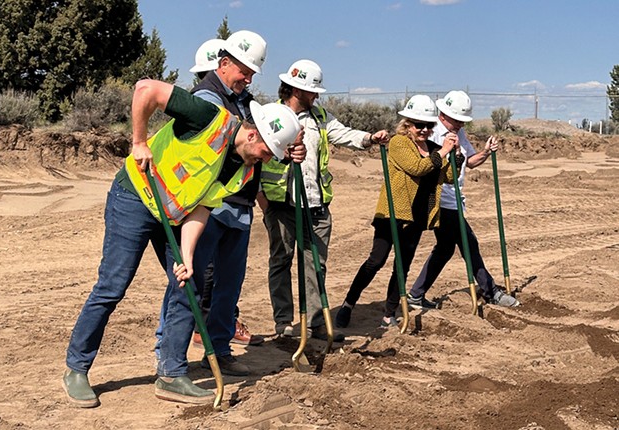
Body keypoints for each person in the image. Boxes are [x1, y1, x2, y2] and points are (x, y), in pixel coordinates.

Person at [62, 78, 303, 408]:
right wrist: (139, 141)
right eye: (266, 151)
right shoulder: (207, 117)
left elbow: (201, 208)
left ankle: (172, 374)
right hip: (134, 197)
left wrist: (187, 256)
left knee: (190, 283)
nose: (266, 159)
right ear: (252, 134)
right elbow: (146, 89)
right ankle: (77, 368)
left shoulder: (244, 172)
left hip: (174, 215)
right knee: (113, 285)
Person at [154, 31, 267, 378]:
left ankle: (218, 349)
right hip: (211, 204)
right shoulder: (208, 98)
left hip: (239, 203)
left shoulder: (246, 101)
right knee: (192, 281)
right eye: (243, 70)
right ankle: (168, 349)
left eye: (252, 73)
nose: (247, 78)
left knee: (228, 285)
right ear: (224, 63)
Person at [258, 59, 389, 341]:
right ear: (296, 89)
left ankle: (316, 322)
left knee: (316, 264)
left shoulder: (320, 117)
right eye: (312, 90)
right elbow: (258, 159)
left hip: (316, 206)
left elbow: (344, 134)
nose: (317, 95)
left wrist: (370, 138)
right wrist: (264, 203)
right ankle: (284, 323)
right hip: (282, 205)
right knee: (281, 261)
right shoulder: (272, 116)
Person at [335, 95, 459, 329]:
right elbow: (416, 167)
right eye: (418, 124)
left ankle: (388, 313)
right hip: (393, 212)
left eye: (428, 125)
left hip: (418, 216)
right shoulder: (399, 143)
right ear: (407, 124)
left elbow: (450, 176)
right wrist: (443, 152)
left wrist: (456, 155)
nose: (423, 130)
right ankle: (348, 303)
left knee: (402, 264)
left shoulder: (433, 148)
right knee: (376, 260)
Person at [407, 90, 520, 308]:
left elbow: (470, 161)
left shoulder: (459, 132)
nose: (460, 124)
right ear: (443, 114)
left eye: (462, 120)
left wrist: (486, 152)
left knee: (445, 249)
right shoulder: (431, 132)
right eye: (457, 119)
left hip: (455, 200)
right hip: (441, 200)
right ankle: (491, 292)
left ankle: (415, 295)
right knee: (469, 243)